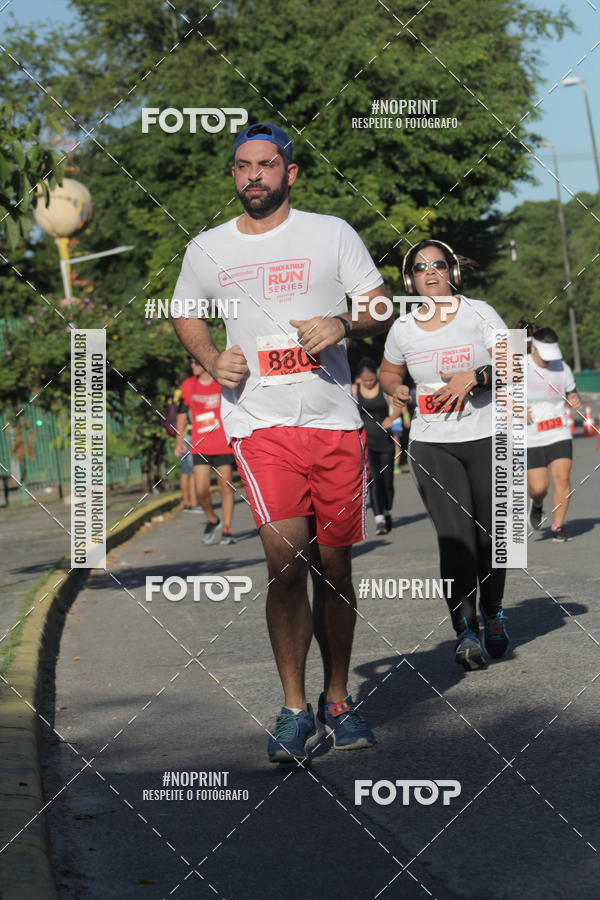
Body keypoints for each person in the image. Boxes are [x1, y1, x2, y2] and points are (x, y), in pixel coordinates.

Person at [171, 122, 392, 762]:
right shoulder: (207, 247)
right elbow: (185, 311)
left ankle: (339, 698)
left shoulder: (331, 233)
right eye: (241, 167)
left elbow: (380, 306)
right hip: (258, 425)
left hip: (332, 421)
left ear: (289, 172)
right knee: (285, 562)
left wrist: (341, 321)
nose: (253, 177)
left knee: (335, 566)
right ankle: (294, 708)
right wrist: (212, 359)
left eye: (265, 165)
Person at [380, 239, 510, 670]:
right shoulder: (402, 328)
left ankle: (493, 610)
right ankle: (465, 632)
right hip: (432, 443)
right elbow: (389, 371)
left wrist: (475, 376)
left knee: (494, 538)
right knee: (455, 538)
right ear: (409, 280)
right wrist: (395, 389)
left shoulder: (479, 312)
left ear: (453, 271)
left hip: (487, 435)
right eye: (420, 267)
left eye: (438, 264)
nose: (429, 272)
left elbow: (513, 363)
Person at [526, 327, 581, 541]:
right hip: (531, 435)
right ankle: (537, 504)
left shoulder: (562, 368)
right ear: (533, 348)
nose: (549, 362)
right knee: (539, 487)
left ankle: (558, 526)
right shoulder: (519, 368)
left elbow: (572, 392)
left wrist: (575, 399)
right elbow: (503, 398)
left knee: (563, 478)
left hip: (559, 431)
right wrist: (515, 408)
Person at [174, 358, 237, 544]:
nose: (193, 366)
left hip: (221, 443)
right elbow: (181, 413)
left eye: (196, 363)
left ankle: (227, 528)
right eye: (191, 363)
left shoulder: (220, 382)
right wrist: (179, 440)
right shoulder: (188, 385)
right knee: (201, 490)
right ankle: (212, 519)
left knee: (225, 487)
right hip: (200, 445)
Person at [352, 357, 400, 534]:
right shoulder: (355, 390)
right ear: (360, 379)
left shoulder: (383, 389)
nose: (369, 383)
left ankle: (387, 509)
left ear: (376, 377)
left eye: (371, 380)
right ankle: (379, 518)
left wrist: (392, 418)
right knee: (373, 480)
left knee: (387, 482)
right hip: (366, 443)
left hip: (385, 442)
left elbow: (398, 406)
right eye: (365, 380)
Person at [172, 369, 200, 512]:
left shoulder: (174, 395)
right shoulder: (186, 393)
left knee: (185, 472)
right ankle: (194, 504)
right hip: (189, 434)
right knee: (193, 472)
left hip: (180, 436)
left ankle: (187, 503)